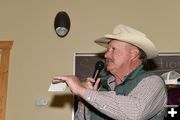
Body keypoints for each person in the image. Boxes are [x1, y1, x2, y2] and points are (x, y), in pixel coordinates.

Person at [52, 24, 167, 120]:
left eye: (113, 49)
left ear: (133, 54)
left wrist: (83, 91)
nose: (106, 55)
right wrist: (83, 102)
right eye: (107, 50)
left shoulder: (152, 82)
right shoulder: (100, 87)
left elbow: (135, 113)